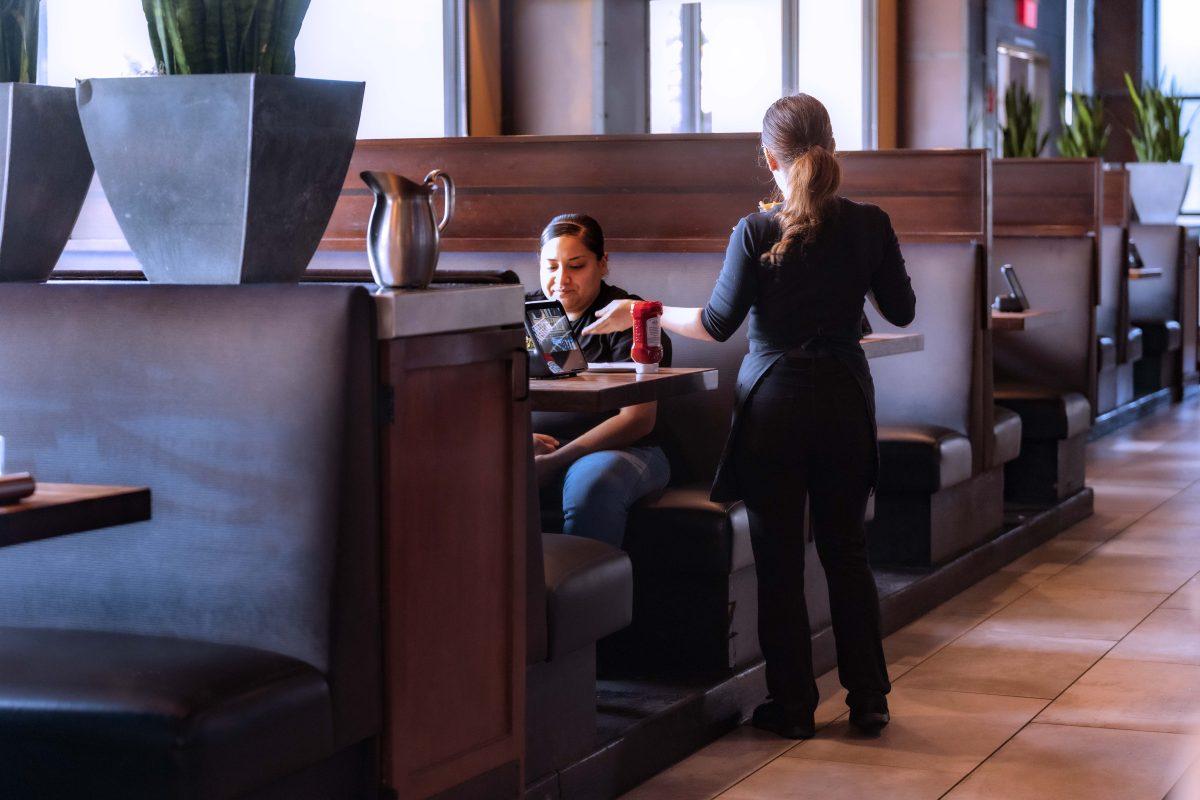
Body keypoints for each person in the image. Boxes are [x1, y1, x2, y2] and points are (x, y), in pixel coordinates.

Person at [584, 94, 915, 738]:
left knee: (778, 559)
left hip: (774, 404)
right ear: (833, 149)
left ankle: (792, 707)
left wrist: (641, 310)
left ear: (769, 159)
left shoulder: (754, 231)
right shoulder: (870, 223)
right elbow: (901, 312)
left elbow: (714, 324)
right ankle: (869, 698)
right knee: (847, 552)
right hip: (846, 398)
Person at [529, 214, 673, 548]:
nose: (561, 279)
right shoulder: (531, 313)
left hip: (627, 449)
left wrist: (554, 462)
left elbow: (638, 419)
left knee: (593, 482)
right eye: (551, 267)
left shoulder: (629, 317)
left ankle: (586, 598)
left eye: (576, 266)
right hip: (542, 448)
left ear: (603, 263)